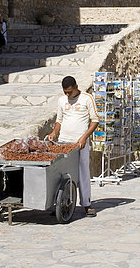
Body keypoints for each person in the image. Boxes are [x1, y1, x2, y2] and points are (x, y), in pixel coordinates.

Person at [48, 76, 99, 217]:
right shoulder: (62, 100)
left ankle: (86, 204)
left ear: (76, 86)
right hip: (64, 141)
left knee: (83, 172)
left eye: (70, 92)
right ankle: (61, 203)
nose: (68, 95)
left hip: (79, 143)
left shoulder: (87, 98)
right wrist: (54, 132)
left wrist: (84, 137)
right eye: (65, 92)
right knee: (61, 173)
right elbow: (59, 120)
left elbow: (95, 120)